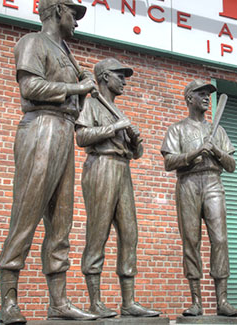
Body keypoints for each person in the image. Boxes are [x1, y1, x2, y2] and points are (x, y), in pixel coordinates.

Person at [0, 0, 99, 323]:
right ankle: (9, 303)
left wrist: (82, 90)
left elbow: (76, 101)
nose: (76, 22)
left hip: (65, 129)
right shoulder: (33, 42)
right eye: (73, 14)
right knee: (26, 214)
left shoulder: (66, 53)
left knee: (61, 220)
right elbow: (30, 86)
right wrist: (76, 86)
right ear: (57, 12)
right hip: (40, 127)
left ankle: (59, 302)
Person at [75, 58, 161, 318]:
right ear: (103, 78)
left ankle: (129, 302)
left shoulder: (118, 110)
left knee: (130, 233)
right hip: (101, 166)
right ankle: (95, 302)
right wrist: (114, 127)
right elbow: (81, 137)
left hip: (123, 169)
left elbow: (138, 154)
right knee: (98, 232)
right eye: (119, 75)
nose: (124, 81)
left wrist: (136, 140)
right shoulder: (91, 104)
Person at [160, 80, 237, 317]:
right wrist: (194, 154)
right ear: (189, 99)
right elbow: (168, 162)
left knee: (220, 239)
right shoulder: (177, 129)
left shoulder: (218, 131)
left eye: (208, 94)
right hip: (188, 183)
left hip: (213, 182)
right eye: (201, 94)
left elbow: (232, 165)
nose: (207, 97)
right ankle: (196, 300)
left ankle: (223, 301)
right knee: (191, 240)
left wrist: (215, 151)